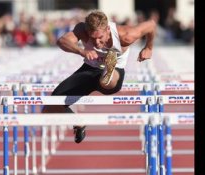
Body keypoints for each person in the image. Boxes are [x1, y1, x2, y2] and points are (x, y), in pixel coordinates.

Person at [42, 10, 156, 143]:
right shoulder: (81, 29)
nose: (96, 43)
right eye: (92, 38)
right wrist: (81, 51)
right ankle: (78, 122)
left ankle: (109, 67)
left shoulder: (125, 35)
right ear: (87, 30)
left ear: (108, 29)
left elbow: (151, 25)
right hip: (89, 69)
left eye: (100, 37)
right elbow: (62, 41)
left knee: (105, 82)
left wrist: (148, 47)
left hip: (115, 72)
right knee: (50, 107)